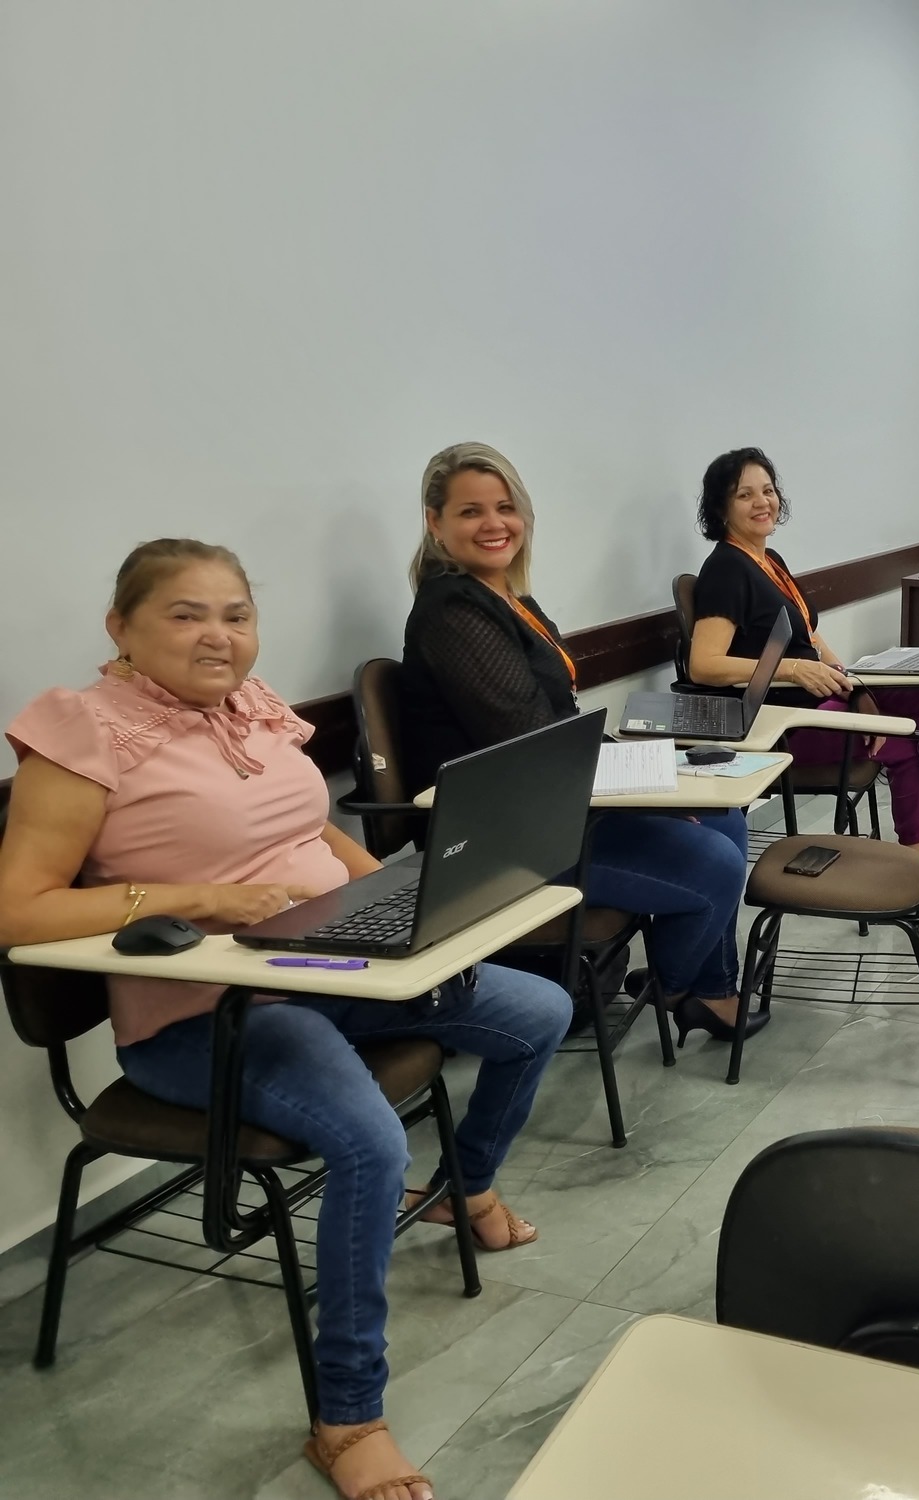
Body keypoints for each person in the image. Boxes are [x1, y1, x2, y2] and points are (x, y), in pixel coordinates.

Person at [0, 539, 571, 1500]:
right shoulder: (83, 732)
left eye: (237, 615)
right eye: (186, 614)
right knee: (370, 1145)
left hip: (329, 968)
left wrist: (403, 901)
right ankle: (349, 1420)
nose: (218, 636)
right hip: (207, 1019)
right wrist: (197, 900)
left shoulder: (250, 710)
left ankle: (464, 1188)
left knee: (540, 1010)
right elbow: (18, 910)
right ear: (121, 628)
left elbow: (308, 833)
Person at [399, 442, 759, 1047]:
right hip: (497, 840)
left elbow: (559, 725)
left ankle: (711, 989)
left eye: (505, 507)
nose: (493, 524)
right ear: (435, 523)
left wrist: (655, 774)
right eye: (470, 511)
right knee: (715, 865)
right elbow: (532, 741)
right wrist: (650, 794)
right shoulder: (451, 611)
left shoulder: (507, 597)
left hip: (546, 808)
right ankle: (675, 989)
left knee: (724, 818)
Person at [684, 447, 919, 891]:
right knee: (903, 736)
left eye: (768, 490)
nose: (763, 502)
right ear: (721, 508)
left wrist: (855, 684)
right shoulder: (725, 569)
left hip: (817, 698)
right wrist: (793, 670)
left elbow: (810, 637)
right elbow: (703, 666)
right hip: (782, 722)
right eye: (745, 495)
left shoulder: (769, 561)